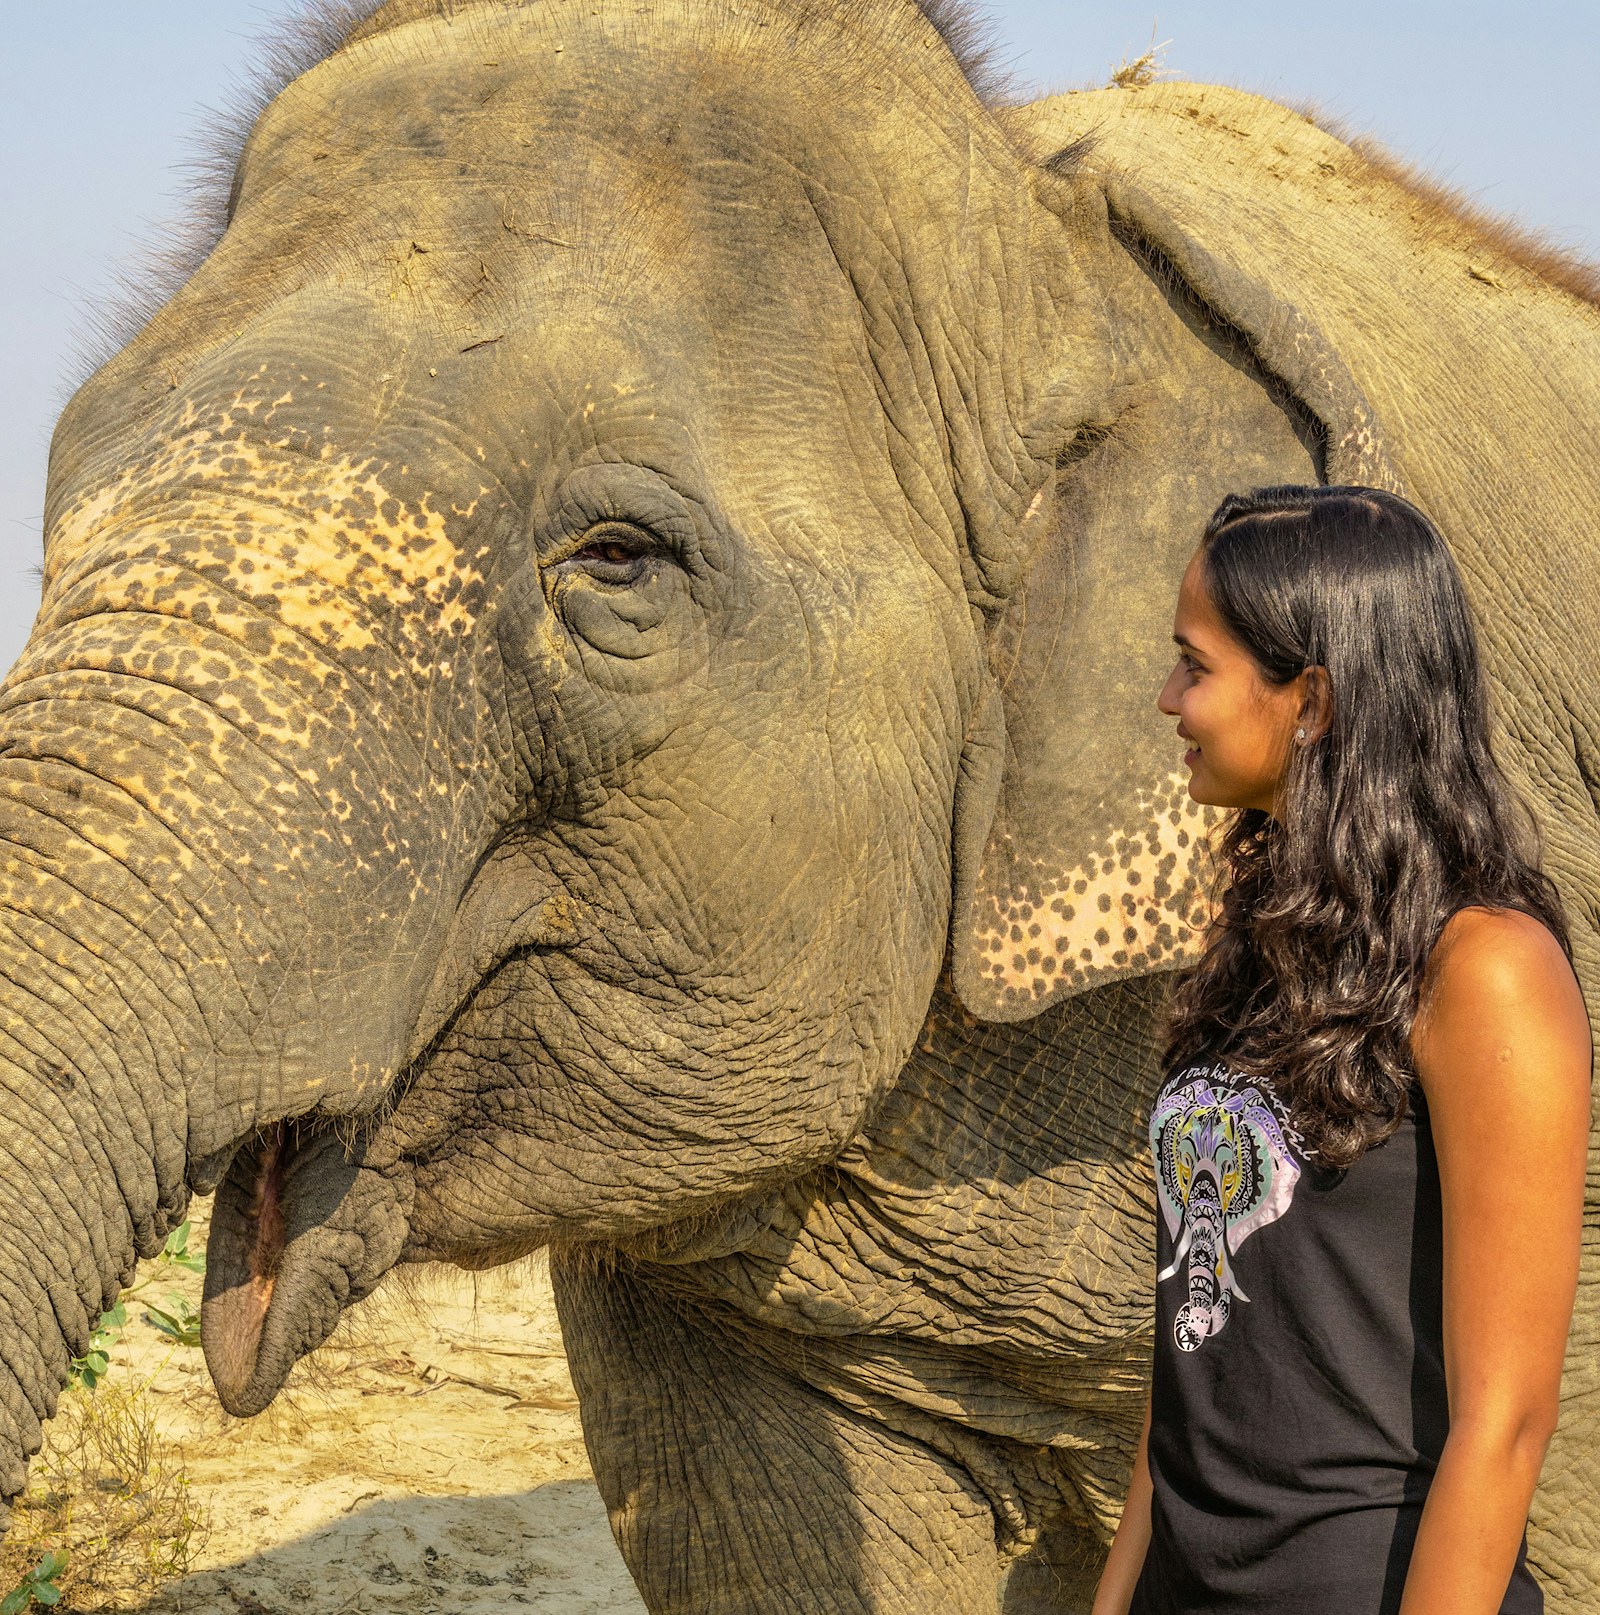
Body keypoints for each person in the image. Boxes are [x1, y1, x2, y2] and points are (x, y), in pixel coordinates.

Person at [1092, 486, 1591, 1615]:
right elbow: (1195, 1325)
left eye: (1194, 665)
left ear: (1308, 698)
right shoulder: (1256, 948)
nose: (1167, 698)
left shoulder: (1486, 970)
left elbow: (1504, 1421)